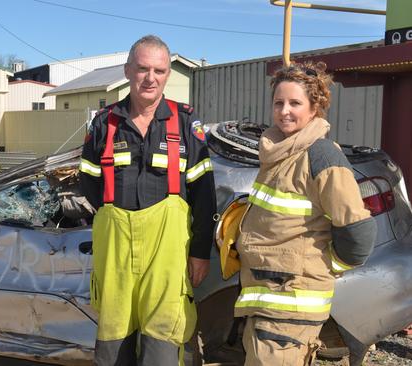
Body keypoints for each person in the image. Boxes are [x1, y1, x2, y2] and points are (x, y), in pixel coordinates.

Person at [79, 35, 217, 366]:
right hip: (116, 257)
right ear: (128, 71)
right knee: (114, 342)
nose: (150, 78)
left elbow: (204, 195)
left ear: (168, 75)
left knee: (163, 344)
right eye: (142, 69)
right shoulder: (104, 123)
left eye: (159, 70)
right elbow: (88, 182)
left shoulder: (185, 125)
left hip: (167, 258)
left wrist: (200, 252)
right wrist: (114, 218)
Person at [234, 61, 377, 365]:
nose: (285, 110)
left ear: (315, 108)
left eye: (295, 103)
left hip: (291, 306)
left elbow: (358, 231)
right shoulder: (279, 152)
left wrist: (328, 266)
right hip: (269, 303)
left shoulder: (320, 154)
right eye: (279, 102)